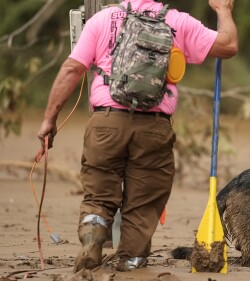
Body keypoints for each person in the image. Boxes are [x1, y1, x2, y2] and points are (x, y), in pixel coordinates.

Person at [36, 0, 237, 272]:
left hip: (106, 123)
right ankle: (131, 259)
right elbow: (228, 46)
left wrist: (50, 119)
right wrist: (223, 10)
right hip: (154, 128)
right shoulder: (178, 21)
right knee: (144, 201)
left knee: (98, 190)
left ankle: (94, 232)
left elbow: (72, 69)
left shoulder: (102, 19)